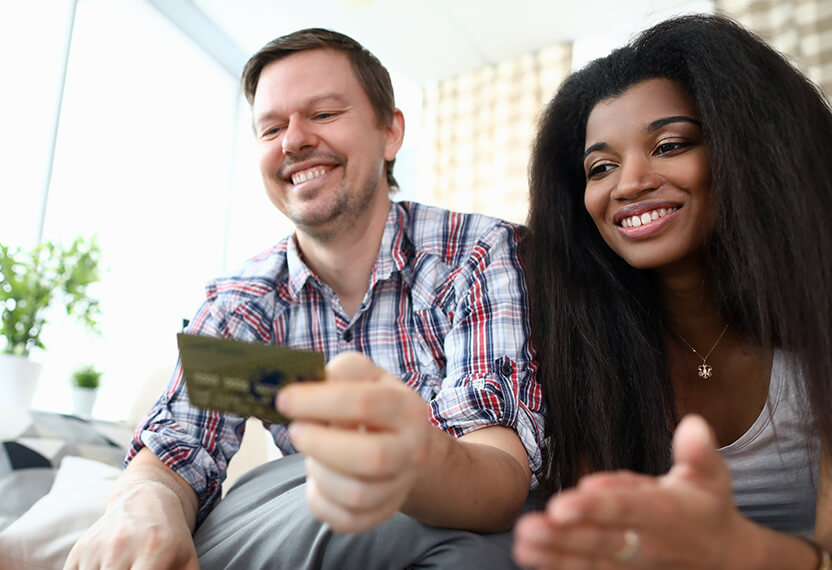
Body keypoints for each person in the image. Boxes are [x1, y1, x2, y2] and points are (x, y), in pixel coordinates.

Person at [65, 28, 543, 569]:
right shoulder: (240, 303)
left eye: (322, 114)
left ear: (390, 132)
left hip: (430, 521)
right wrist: (142, 502)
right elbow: (180, 447)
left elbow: (501, 475)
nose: (293, 141)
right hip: (312, 519)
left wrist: (409, 457)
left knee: (486, 551)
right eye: (272, 127)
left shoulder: (476, 255)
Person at [513, 14, 832, 570]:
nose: (629, 183)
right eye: (601, 166)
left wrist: (741, 553)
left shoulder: (819, 321)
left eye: (670, 144)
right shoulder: (587, 349)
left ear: (750, 151)